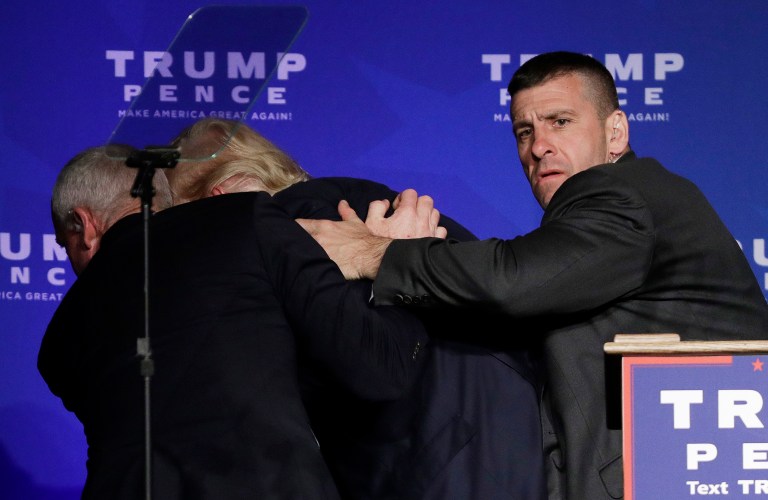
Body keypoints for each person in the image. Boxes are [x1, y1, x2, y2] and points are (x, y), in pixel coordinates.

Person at [296, 51, 768, 500]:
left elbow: (510, 281)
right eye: (524, 131)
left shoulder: (620, 192)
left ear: (616, 132)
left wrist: (378, 253)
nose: (538, 147)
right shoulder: (639, 201)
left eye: (560, 122)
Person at [167, 117, 547, 500]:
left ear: (217, 200)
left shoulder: (300, 223)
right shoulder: (340, 200)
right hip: (491, 433)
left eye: (186, 218)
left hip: (443, 455)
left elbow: (369, 361)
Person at [38, 144, 430, 499]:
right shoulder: (246, 218)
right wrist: (399, 259)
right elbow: (379, 369)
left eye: (64, 244)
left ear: (83, 225)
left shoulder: (57, 342)